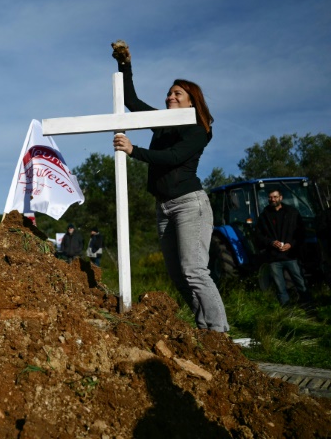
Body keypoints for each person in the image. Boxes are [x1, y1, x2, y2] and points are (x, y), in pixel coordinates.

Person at [110, 39, 229, 332]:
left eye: (178, 93)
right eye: (168, 93)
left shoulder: (198, 129)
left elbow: (174, 156)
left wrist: (134, 151)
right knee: (178, 275)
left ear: (192, 100)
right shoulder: (162, 122)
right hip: (163, 207)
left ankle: (218, 331)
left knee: (194, 271)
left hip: (190, 204)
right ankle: (204, 328)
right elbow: (131, 101)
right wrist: (124, 64)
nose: (170, 96)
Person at [256, 189, 312, 306]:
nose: (273, 199)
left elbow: (301, 232)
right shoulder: (264, 215)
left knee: (300, 282)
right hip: (274, 257)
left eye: (275, 197)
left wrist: (291, 244)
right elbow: (259, 235)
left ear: (280, 198)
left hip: (290, 255)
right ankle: (286, 310)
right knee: (280, 287)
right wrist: (271, 242)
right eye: (270, 197)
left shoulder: (292, 212)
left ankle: (308, 306)